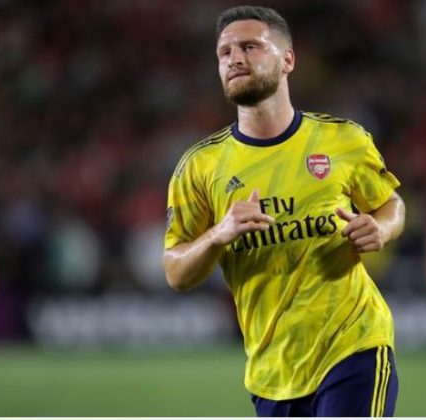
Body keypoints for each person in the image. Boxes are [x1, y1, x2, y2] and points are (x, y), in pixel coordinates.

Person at [163, 5, 405, 417]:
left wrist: (382, 228)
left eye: (250, 47)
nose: (234, 59)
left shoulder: (342, 140)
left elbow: (391, 204)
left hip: (355, 345)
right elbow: (175, 272)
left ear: (288, 59)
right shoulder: (199, 167)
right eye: (224, 52)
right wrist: (219, 234)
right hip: (272, 372)